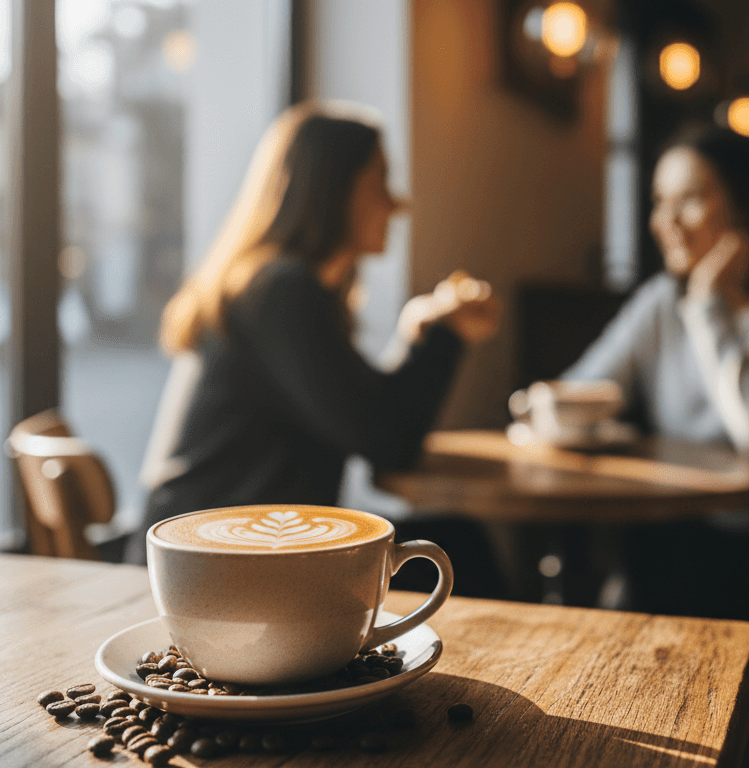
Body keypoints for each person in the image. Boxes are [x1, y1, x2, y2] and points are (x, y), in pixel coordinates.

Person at [128, 102, 502, 581]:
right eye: (379, 182)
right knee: (461, 549)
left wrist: (419, 330)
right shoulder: (283, 293)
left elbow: (367, 415)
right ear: (333, 191)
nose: (397, 203)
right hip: (215, 571)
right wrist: (444, 336)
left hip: (211, 557)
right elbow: (389, 442)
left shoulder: (273, 287)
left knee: (459, 541)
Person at [560, 126, 749, 649]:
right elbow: (580, 389)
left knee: (652, 574)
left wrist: (709, 305)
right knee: (645, 557)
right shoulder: (662, 301)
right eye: (660, 202)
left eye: (690, 200)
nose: (665, 223)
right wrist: (553, 410)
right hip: (702, 538)